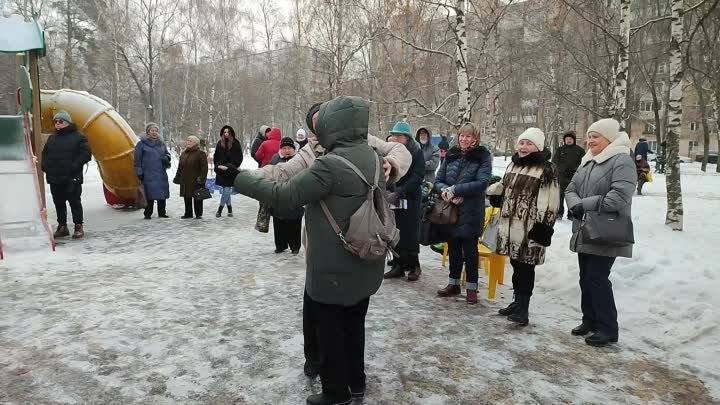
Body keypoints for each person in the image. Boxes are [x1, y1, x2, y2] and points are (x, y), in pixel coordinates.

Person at [234, 96, 386, 405]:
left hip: (332, 264)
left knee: (329, 329)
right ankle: (356, 382)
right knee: (355, 323)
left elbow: (286, 195)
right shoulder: (371, 156)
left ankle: (335, 392)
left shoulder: (330, 164)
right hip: (366, 256)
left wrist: (238, 179)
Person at [251, 102, 411, 382]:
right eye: (315, 122)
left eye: (323, 118)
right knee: (315, 309)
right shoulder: (311, 151)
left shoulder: (361, 141)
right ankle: (314, 359)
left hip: (360, 240)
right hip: (323, 245)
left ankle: (347, 376)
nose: (320, 125)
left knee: (349, 315)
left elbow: (400, 151)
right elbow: (284, 172)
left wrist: (392, 164)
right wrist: (250, 178)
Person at [565, 118, 636, 347]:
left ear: (609, 139)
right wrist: (575, 204)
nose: (590, 140)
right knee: (585, 277)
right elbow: (570, 188)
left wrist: (583, 204)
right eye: (589, 136)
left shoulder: (622, 161)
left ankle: (608, 328)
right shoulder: (588, 161)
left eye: (596, 136)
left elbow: (619, 197)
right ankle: (590, 320)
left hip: (606, 230)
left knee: (597, 278)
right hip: (585, 228)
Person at [486, 128, 559, 325]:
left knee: (526, 267)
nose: (524, 147)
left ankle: (523, 309)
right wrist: (497, 195)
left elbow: (550, 200)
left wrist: (544, 227)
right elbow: (505, 187)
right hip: (510, 226)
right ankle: (517, 302)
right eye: (521, 143)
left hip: (530, 228)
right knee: (516, 265)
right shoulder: (513, 164)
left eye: (529, 143)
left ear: (539, 147)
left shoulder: (546, 169)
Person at [434, 123, 492, 304]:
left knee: (470, 251)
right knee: (454, 249)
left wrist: (456, 190)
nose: (464, 139)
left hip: (471, 210)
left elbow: (482, 182)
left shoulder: (482, 156)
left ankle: (472, 288)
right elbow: (438, 180)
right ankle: (453, 284)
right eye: (462, 136)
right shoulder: (451, 154)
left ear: (475, 138)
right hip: (451, 210)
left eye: (468, 136)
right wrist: (445, 191)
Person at [383, 121, 425, 282]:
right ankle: (398, 265)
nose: (394, 138)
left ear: (406, 138)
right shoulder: (392, 151)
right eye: (393, 135)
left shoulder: (416, 151)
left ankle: (414, 265)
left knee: (410, 232)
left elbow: (418, 176)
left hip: (410, 197)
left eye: (397, 136)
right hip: (394, 195)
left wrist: (402, 190)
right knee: (396, 229)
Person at [41, 110, 91, 239]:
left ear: (68, 122)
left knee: (74, 202)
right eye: (56, 121)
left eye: (61, 121)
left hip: (71, 177)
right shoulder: (52, 138)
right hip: (55, 177)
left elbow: (86, 154)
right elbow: (45, 153)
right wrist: (45, 166)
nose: (58, 123)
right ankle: (62, 227)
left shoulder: (79, 137)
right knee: (58, 203)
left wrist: (74, 166)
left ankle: (78, 226)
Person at [268, 137, 304, 254]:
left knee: (294, 222)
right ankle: (280, 245)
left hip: (294, 196)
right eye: (284, 148)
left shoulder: (299, 160)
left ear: (293, 149)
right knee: (279, 222)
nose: (287, 150)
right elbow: (270, 173)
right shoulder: (275, 159)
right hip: (278, 195)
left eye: (289, 148)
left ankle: (295, 246)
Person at [134, 122, 171, 219]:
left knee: (162, 194)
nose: (154, 132)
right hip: (148, 174)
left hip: (161, 173)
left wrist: (167, 158)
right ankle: (148, 213)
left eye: (156, 131)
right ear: (148, 132)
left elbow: (167, 154)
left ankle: (162, 213)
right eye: (152, 130)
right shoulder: (141, 144)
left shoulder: (161, 143)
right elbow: (137, 160)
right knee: (149, 194)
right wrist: (139, 172)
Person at [552, 130, 585, 220]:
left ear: (574, 140)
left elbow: (584, 163)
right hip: (562, 176)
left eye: (570, 139)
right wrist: (561, 168)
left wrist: (577, 169)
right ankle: (559, 213)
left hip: (575, 177)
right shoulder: (560, 150)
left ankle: (571, 214)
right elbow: (554, 162)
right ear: (564, 140)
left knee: (573, 196)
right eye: (567, 139)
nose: (569, 140)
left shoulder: (579, 150)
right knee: (560, 196)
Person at [174, 136, 208, 219]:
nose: (188, 142)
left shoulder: (201, 153)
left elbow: (204, 168)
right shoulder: (184, 153)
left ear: (196, 143)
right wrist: (177, 177)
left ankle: (198, 214)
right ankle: (188, 213)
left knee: (197, 197)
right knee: (187, 196)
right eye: (187, 140)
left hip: (196, 180)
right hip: (185, 180)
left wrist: (201, 178)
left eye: (191, 141)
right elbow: (180, 166)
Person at [213, 125, 243, 217]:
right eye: (224, 132)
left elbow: (239, 157)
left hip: (231, 170)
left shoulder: (235, 143)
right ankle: (230, 209)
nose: (226, 134)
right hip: (221, 170)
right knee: (226, 189)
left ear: (231, 133)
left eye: (228, 132)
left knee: (226, 189)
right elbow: (216, 156)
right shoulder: (220, 143)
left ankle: (220, 209)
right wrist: (219, 165)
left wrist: (231, 166)